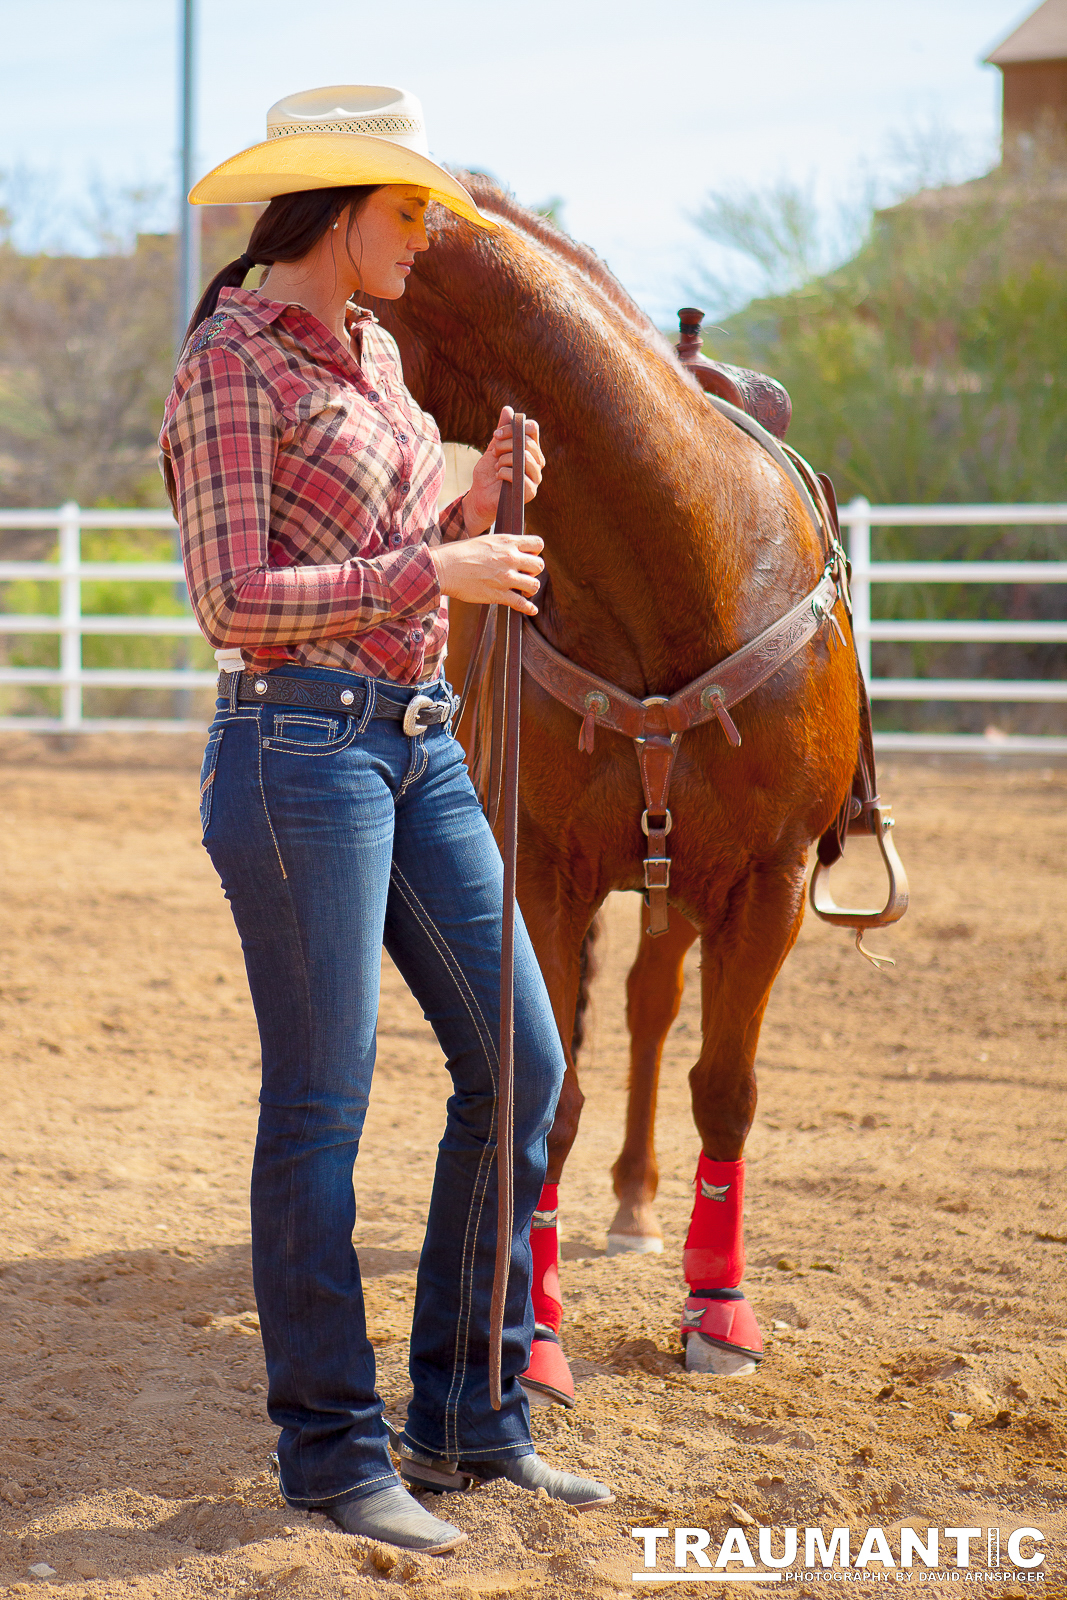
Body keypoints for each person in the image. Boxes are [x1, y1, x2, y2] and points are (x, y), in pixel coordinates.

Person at [159, 86, 612, 1555]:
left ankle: (470, 1415)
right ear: (337, 211)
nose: (426, 237)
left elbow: (394, 540)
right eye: (409, 212)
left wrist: (471, 499)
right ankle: (334, 1450)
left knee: (524, 1068)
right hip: (297, 757)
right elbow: (231, 601)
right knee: (323, 1104)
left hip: (415, 749)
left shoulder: (384, 352)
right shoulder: (232, 360)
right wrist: (441, 573)